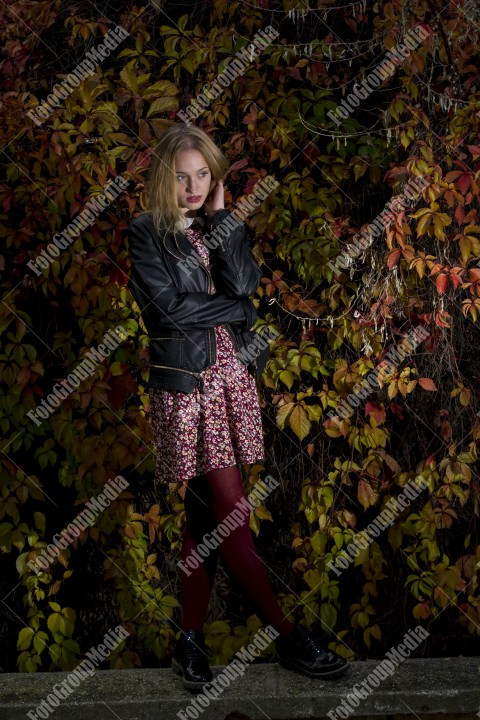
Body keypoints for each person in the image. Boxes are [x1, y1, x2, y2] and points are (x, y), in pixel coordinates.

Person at [127, 124, 348, 691]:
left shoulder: (214, 225)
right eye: (183, 176)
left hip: (231, 381)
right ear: (163, 178)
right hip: (190, 386)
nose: (195, 185)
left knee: (203, 520)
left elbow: (246, 282)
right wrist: (234, 308)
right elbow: (166, 311)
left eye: (204, 174)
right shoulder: (146, 232)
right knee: (232, 517)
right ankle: (289, 638)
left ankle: (190, 646)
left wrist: (226, 222)